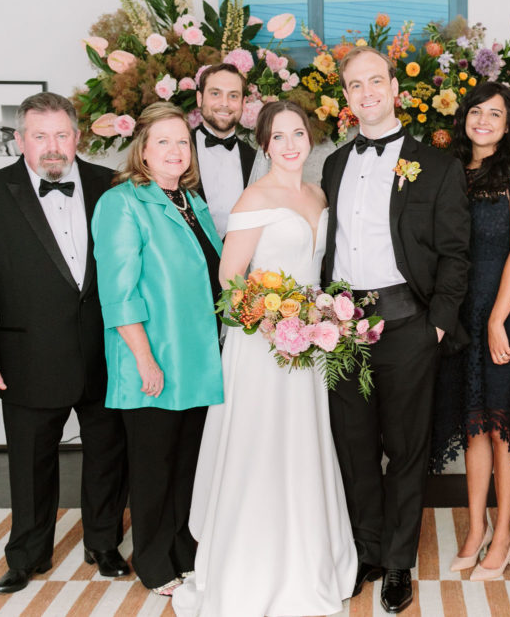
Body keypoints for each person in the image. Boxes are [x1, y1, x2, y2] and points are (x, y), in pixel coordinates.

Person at [174, 100, 357, 616]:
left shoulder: (318, 194)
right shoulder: (254, 197)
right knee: (261, 446)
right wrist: (276, 323)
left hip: (310, 345)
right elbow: (229, 280)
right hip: (262, 347)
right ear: (265, 145)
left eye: (298, 133)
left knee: (302, 445)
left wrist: (320, 320)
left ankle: (308, 557)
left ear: (309, 138)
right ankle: (252, 565)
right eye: (279, 136)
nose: (291, 144)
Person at [0, 92, 130, 594]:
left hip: (106, 351)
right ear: (20, 139)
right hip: (27, 356)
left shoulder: (112, 185)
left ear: (77, 137)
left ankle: (104, 543)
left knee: (109, 453)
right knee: (30, 463)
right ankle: (27, 555)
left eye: (61, 134)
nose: (52, 146)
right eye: (40, 135)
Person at [322, 46, 471, 613]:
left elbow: (455, 254)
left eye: (375, 81)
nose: (367, 93)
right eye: (355, 85)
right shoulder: (334, 164)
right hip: (342, 327)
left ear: (394, 89)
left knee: (407, 449)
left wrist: (437, 326)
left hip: (409, 324)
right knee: (354, 446)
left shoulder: (436, 165)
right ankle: (367, 550)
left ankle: (399, 561)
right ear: (346, 96)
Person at [91, 102, 225, 596]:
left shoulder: (193, 203)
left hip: (197, 361)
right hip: (152, 358)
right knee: (153, 468)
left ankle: (183, 551)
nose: (174, 151)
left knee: (187, 465)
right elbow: (118, 292)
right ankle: (152, 560)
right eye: (163, 142)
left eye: (182, 142)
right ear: (143, 150)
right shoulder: (122, 202)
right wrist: (144, 360)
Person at [429, 82, 510, 581]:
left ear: (509, 123)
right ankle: (476, 529)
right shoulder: (451, 170)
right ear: (464, 117)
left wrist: (498, 319)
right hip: (460, 315)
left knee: (501, 427)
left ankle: (503, 535)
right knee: (473, 425)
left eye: (495, 114)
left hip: (503, 313)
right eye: (476, 111)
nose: (484, 120)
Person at [194, 63, 259, 237]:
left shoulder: (254, 158)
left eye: (233, 96)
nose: (224, 103)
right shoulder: (177, 151)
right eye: (215, 94)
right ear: (200, 98)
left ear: (243, 103)